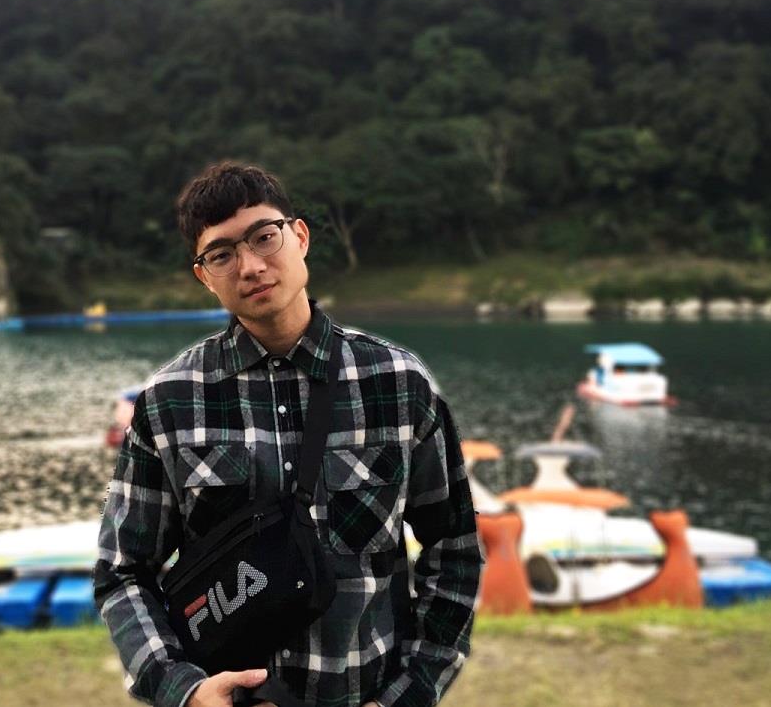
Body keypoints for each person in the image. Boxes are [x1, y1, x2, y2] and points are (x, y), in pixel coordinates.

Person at [94, 162, 481, 707]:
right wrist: (185, 690)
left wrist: (410, 693)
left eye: (264, 237)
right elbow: (122, 570)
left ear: (299, 236)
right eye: (222, 254)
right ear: (204, 275)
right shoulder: (170, 401)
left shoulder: (398, 383)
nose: (250, 266)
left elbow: (455, 548)